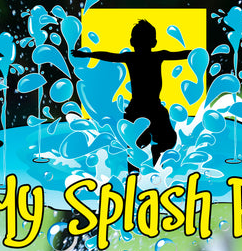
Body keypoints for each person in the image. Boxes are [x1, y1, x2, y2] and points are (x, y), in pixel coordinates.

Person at [74, 19, 191, 165]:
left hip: (140, 109)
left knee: (137, 144)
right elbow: (182, 54)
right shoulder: (155, 56)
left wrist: (87, 55)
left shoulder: (134, 57)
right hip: (149, 108)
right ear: (153, 42)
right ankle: (150, 160)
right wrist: (199, 53)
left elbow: (109, 55)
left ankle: (138, 169)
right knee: (155, 142)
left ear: (132, 42)